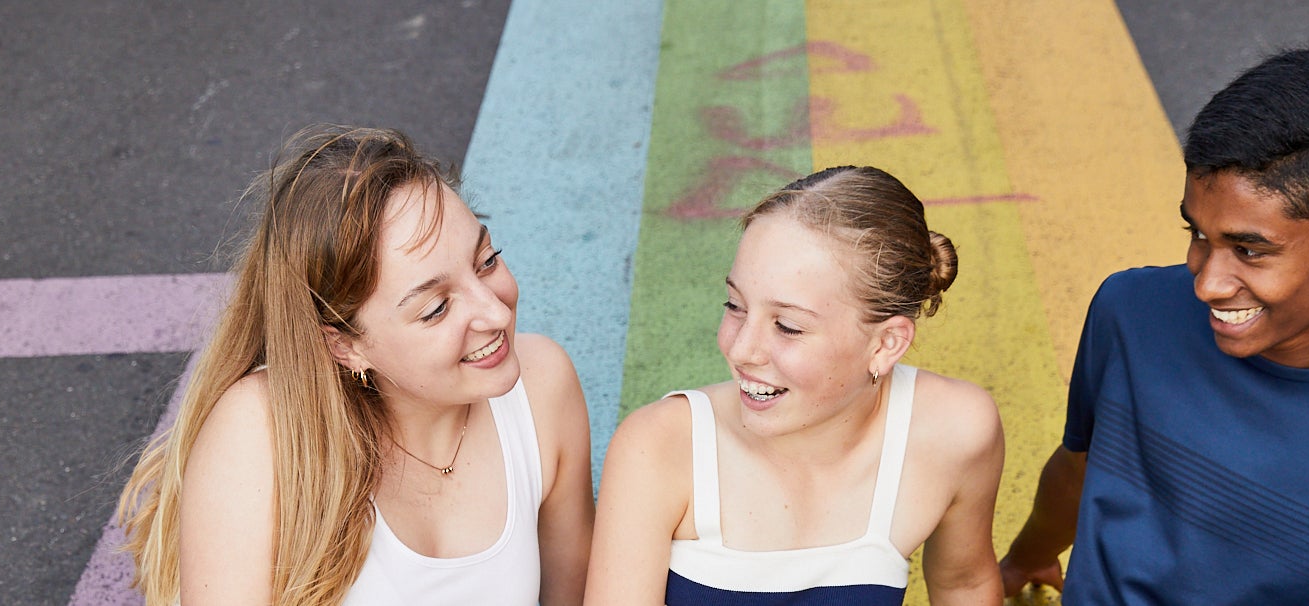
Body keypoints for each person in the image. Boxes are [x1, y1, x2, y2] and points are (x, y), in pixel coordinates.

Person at [999, 49, 1309, 604]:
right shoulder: (1129, 309)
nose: (1206, 284)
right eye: (1198, 233)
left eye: (1250, 250)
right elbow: (1083, 464)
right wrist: (1027, 556)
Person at [116, 125, 594, 605]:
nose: (496, 312)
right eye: (436, 308)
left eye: (487, 260)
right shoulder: (262, 431)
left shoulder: (542, 386)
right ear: (346, 346)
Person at [587, 166, 1005, 604]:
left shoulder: (956, 431)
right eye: (735, 305)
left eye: (787, 327)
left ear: (886, 343)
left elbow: (966, 584)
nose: (742, 349)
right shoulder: (659, 448)